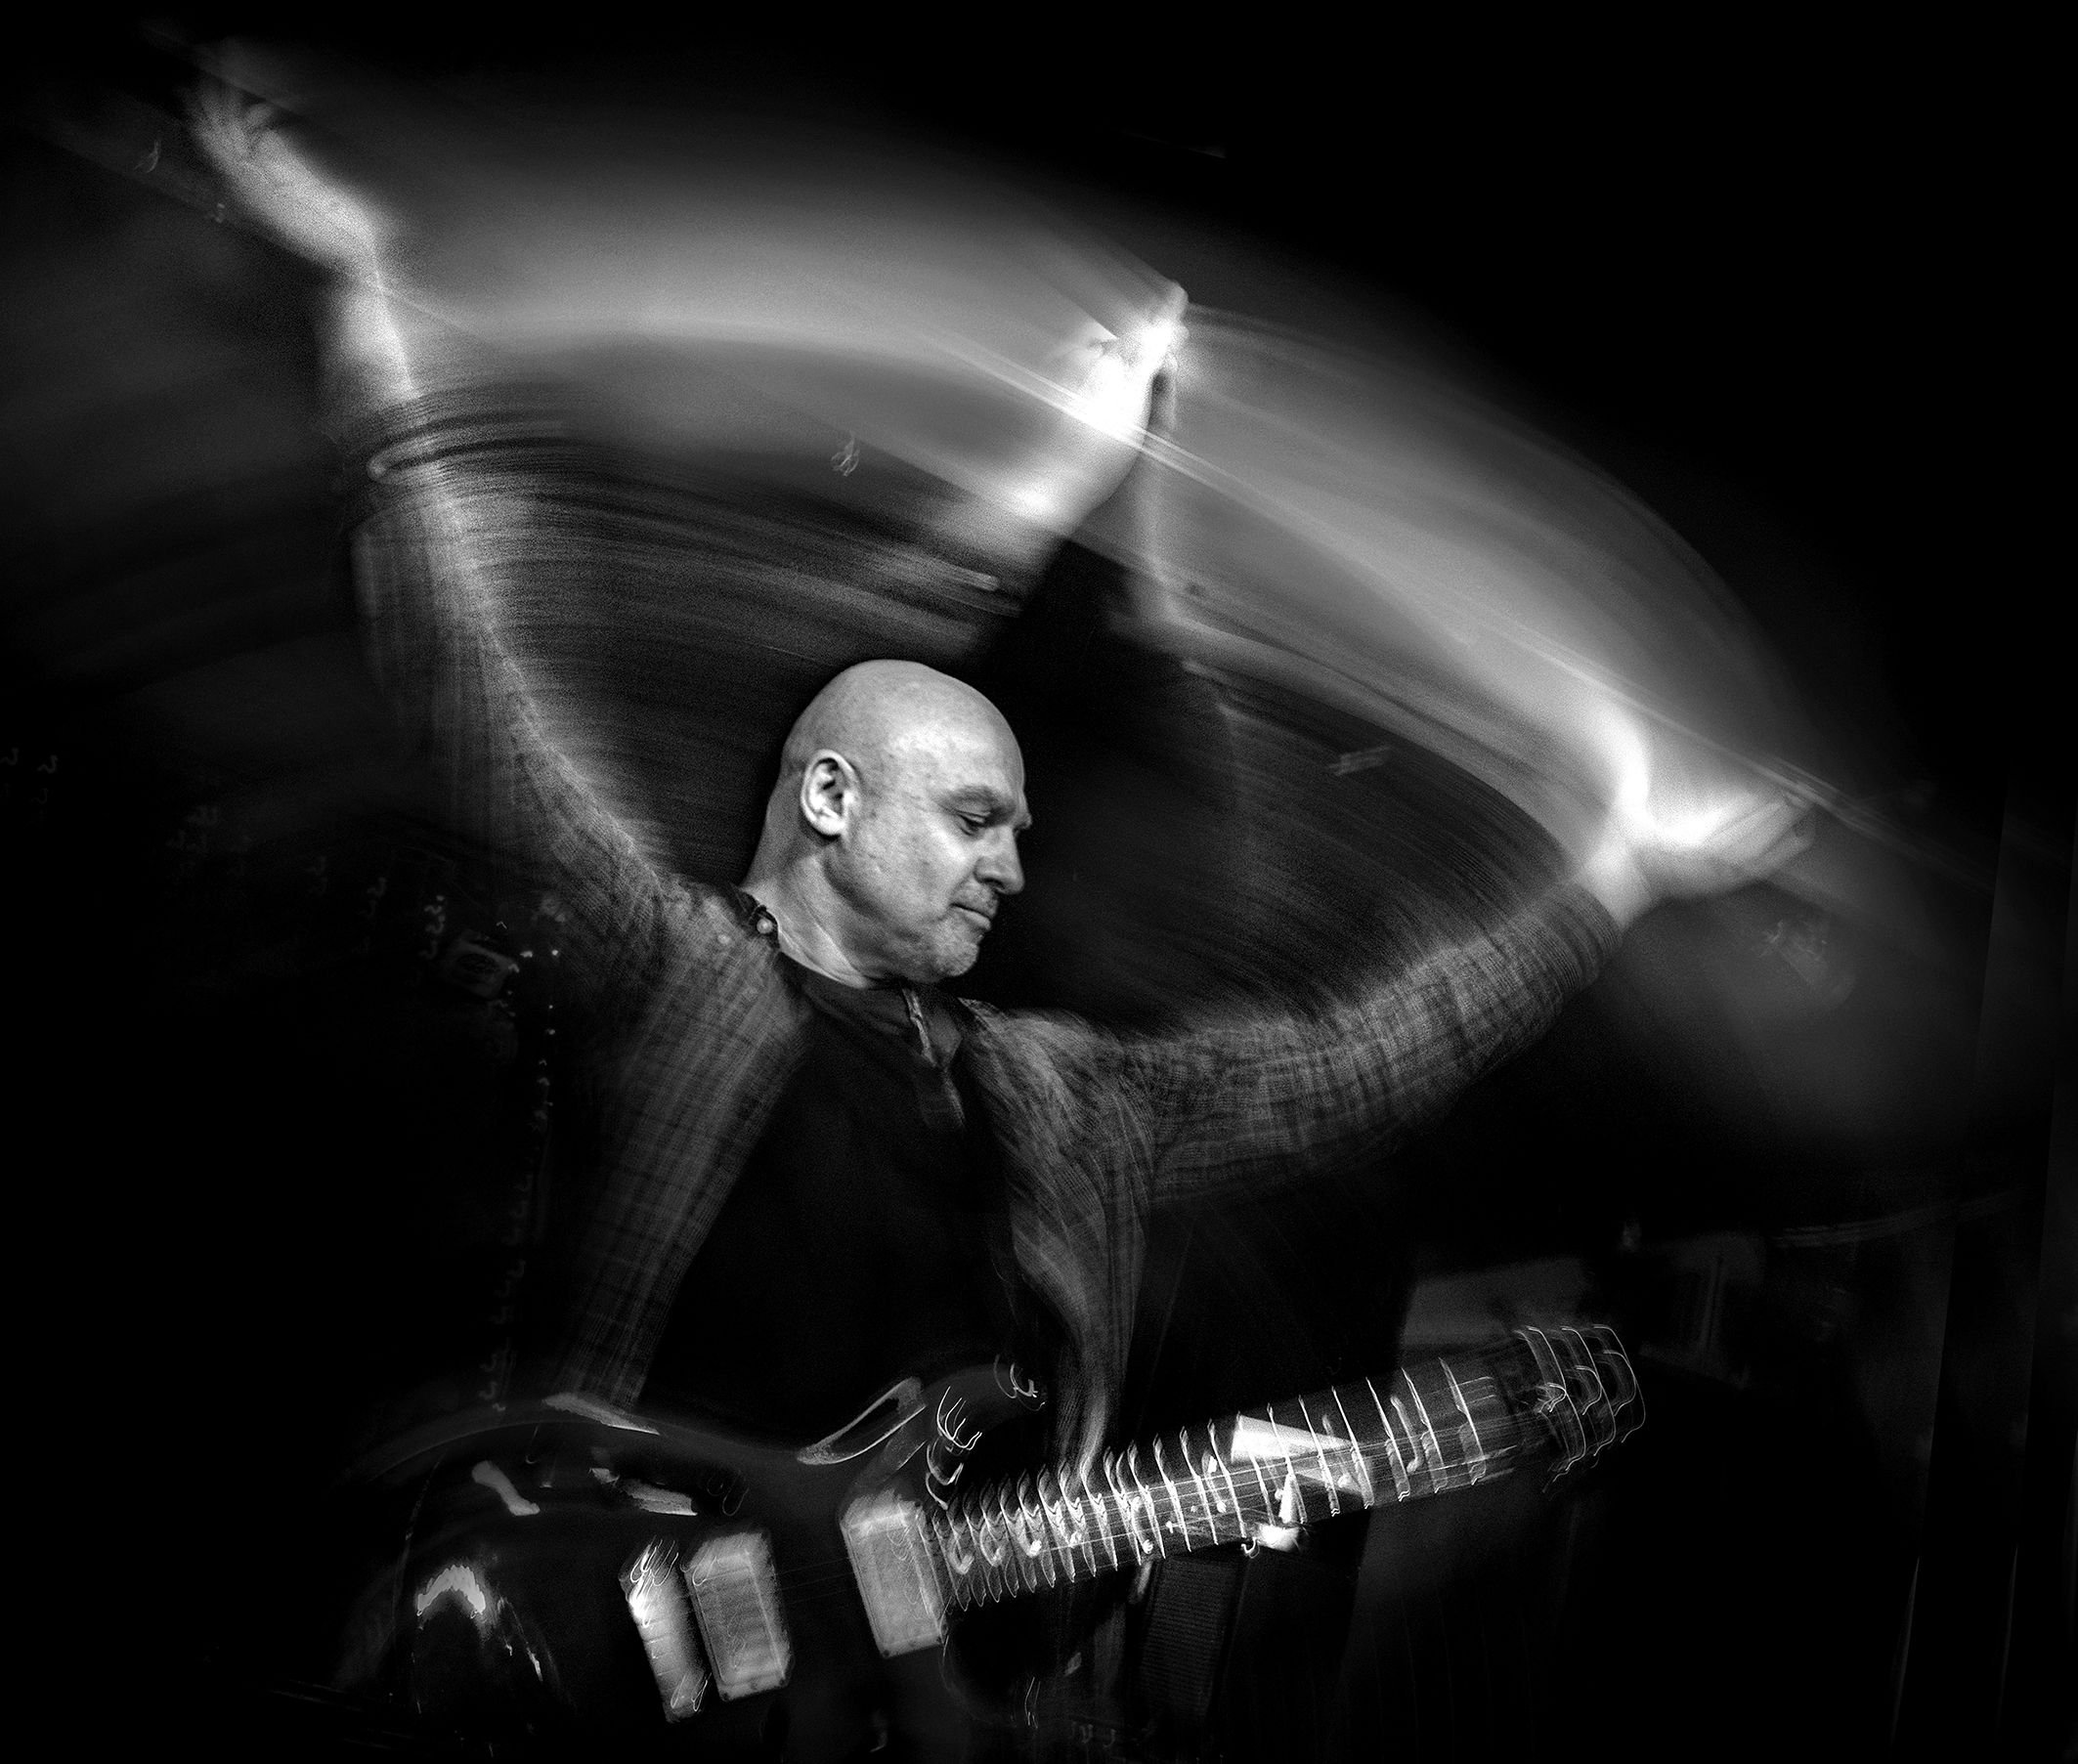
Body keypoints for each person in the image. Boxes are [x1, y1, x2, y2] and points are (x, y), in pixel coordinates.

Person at [193, 68, 1808, 1742]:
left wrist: (1615, 869)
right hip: (599, 1641)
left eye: (1018, 829)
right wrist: (371, 308)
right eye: (973, 817)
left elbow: (1357, 1057)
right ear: (831, 800)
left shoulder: (1060, 1103)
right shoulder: (673, 971)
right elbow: (488, 706)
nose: (1011, 866)